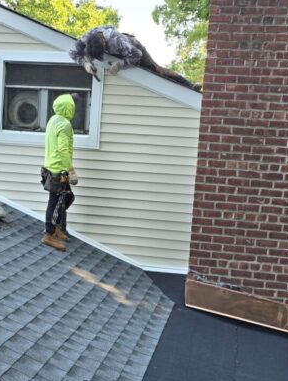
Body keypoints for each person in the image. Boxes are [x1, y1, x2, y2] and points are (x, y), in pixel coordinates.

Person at [69, 25, 199, 90]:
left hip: (135, 49)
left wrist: (119, 65)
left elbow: (137, 55)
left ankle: (189, 85)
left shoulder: (117, 40)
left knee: (158, 70)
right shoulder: (88, 37)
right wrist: (84, 63)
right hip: (120, 53)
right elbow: (73, 52)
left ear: (103, 43)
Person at [40, 93, 78, 252]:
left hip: (49, 168)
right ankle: (48, 234)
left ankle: (57, 228)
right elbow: (63, 150)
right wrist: (71, 170)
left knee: (66, 198)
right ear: (70, 108)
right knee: (55, 203)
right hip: (58, 171)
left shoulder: (53, 120)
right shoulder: (64, 124)